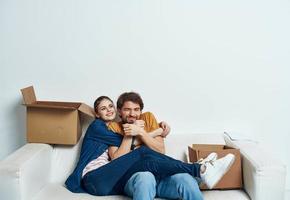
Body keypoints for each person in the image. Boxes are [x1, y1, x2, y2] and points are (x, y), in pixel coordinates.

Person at [65, 96, 235, 198]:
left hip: (108, 181)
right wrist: (157, 132)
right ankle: (200, 169)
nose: (108, 110)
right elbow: (129, 144)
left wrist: (150, 131)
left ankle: (200, 170)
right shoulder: (99, 127)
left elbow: (136, 144)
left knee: (146, 158)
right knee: (144, 153)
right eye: (103, 108)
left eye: (110, 106)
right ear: (97, 113)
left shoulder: (121, 126)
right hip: (93, 178)